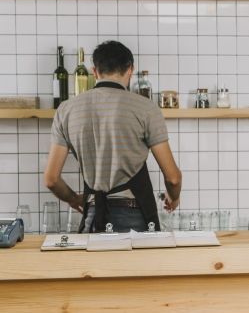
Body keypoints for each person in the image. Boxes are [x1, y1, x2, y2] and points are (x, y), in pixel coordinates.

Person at [44, 40, 181, 233]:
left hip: (92, 217)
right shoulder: (145, 108)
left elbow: (51, 179)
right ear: (130, 69)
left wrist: (74, 199)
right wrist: (173, 197)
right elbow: (173, 178)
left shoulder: (66, 109)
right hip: (135, 219)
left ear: (95, 71)